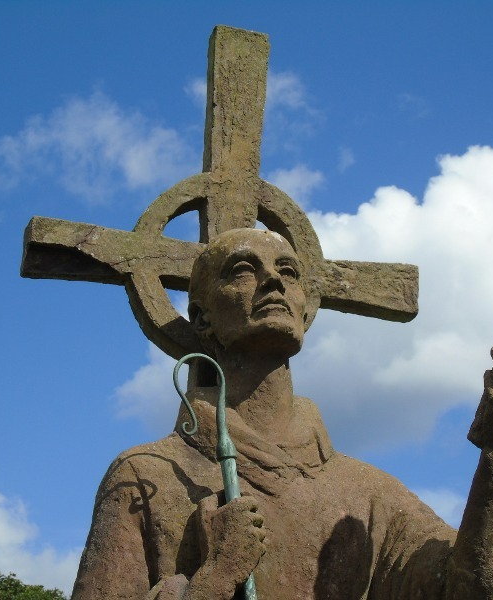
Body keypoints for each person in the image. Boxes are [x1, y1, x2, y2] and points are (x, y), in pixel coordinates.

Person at [71, 228, 458, 599]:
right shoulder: (145, 474)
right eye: (242, 270)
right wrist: (215, 579)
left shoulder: (373, 495)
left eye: (288, 271)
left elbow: (461, 584)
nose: (273, 280)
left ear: (304, 310)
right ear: (202, 317)